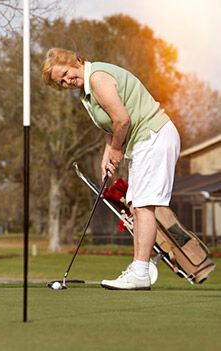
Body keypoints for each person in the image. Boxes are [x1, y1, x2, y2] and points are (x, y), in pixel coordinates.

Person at [42, 48, 180, 291]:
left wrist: (117, 150)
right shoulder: (88, 91)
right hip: (144, 142)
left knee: (142, 205)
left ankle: (140, 272)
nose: (66, 82)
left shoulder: (97, 78)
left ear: (75, 61)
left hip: (153, 136)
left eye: (65, 74)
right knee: (137, 206)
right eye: (60, 82)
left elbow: (122, 120)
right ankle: (139, 270)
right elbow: (112, 125)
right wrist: (109, 153)